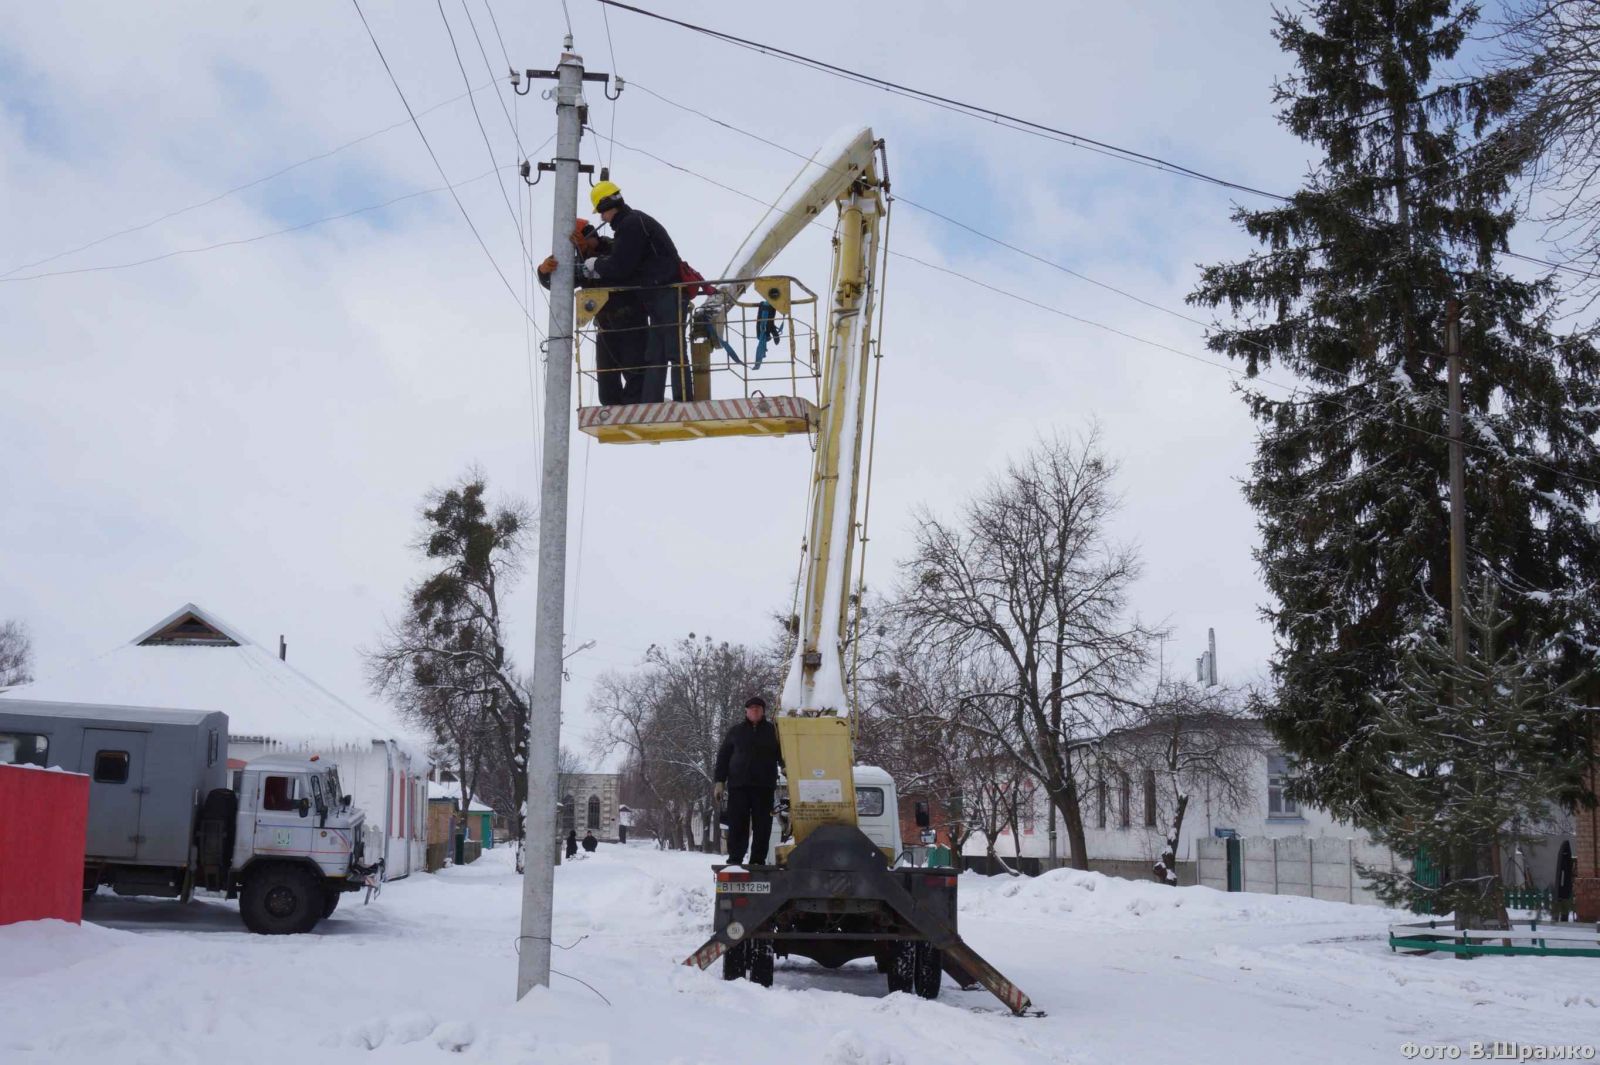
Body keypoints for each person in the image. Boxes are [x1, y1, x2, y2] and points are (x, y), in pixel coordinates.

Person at [582, 181, 684, 404]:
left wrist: (596, 265)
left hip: (664, 291)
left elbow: (621, 267)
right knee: (657, 352)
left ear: (607, 206)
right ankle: (653, 398)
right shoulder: (633, 222)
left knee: (671, 349)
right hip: (659, 292)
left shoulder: (630, 226)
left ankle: (681, 397)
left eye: (601, 212)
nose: (602, 219)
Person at [540, 218, 646, 405]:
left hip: (631, 321)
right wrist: (544, 271)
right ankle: (614, 412)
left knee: (635, 373)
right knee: (607, 386)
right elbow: (559, 283)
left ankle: (636, 407)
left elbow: (617, 268)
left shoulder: (614, 248)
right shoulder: (581, 262)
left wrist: (591, 253)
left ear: (592, 236)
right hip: (606, 327)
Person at [713, 696, 784, 866]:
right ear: (746, 711)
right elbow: (723, 757)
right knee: (737, 824)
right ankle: (735, 859)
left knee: (762, 827)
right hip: (739, 787)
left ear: (763, 711)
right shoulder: (735, 732)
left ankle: (757, 861)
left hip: (764, 787)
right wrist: (719, 782)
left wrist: (788, 767)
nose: (755, 711)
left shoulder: (773, 732)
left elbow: (783, 755)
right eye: (751, 708)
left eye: (758, 708)